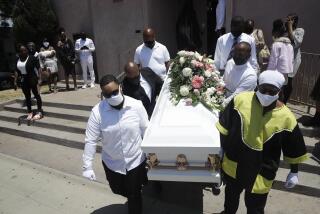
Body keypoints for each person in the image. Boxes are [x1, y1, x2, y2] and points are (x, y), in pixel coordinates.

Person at [216, 70, 307, 214]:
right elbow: (225, 125)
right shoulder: (240, 100)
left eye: (272, 91)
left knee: (255, 208)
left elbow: (293, 147)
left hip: (263, 169)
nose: (267, 94)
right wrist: (220, 148)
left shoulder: (287, 117)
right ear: (257, 86)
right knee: (230, 199)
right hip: (235, 163)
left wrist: (294, 171)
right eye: (264, 89)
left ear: (280, 91)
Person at [82, 74, 149, 214]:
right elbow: (90, 140)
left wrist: (152, 155)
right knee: (117, 189)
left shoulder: (136, 106)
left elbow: (146, 130)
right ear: (103, 94)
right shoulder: (97, 112)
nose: (112, 96)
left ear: (121, 87)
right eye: (108, 94)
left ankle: (135, 200)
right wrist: (87, 166)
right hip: (112, 163)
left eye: (114, 92)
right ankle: (133, 195)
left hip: (135, 161)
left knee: (134, 193)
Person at [267, 19, 294, 103]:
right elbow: (291, 60)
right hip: (285, 73)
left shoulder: (276, 45)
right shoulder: (290, 45)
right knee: (281, 91)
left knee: (274, 93)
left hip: (276, 73)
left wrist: (269, 73)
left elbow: (273, 62)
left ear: (275, 32)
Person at [14, 45, 43, 120]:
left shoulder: (32, 58)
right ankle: (30, 112)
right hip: (24, 79)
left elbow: (39, 68)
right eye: (22, 51)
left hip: (32, 78)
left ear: (27, 51)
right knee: (27, 97)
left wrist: (40, 79)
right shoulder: (18, 59)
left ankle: (39, 111)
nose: (23, 52)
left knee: (36, 95)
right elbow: (16, 70)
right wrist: (15, 81)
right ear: (19, 52)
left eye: (25, 50)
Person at [283, 13, 305, 103]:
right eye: (287, 19)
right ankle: (280, 99)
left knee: (289, 81)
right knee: (282, 80)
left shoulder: (300, 30)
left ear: (294, 21)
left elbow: (296, 43)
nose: (287, 21)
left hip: (293, 60)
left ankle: (285, 102)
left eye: (289, 20)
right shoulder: (286, 31)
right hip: (284, 59)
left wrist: (290, 27)